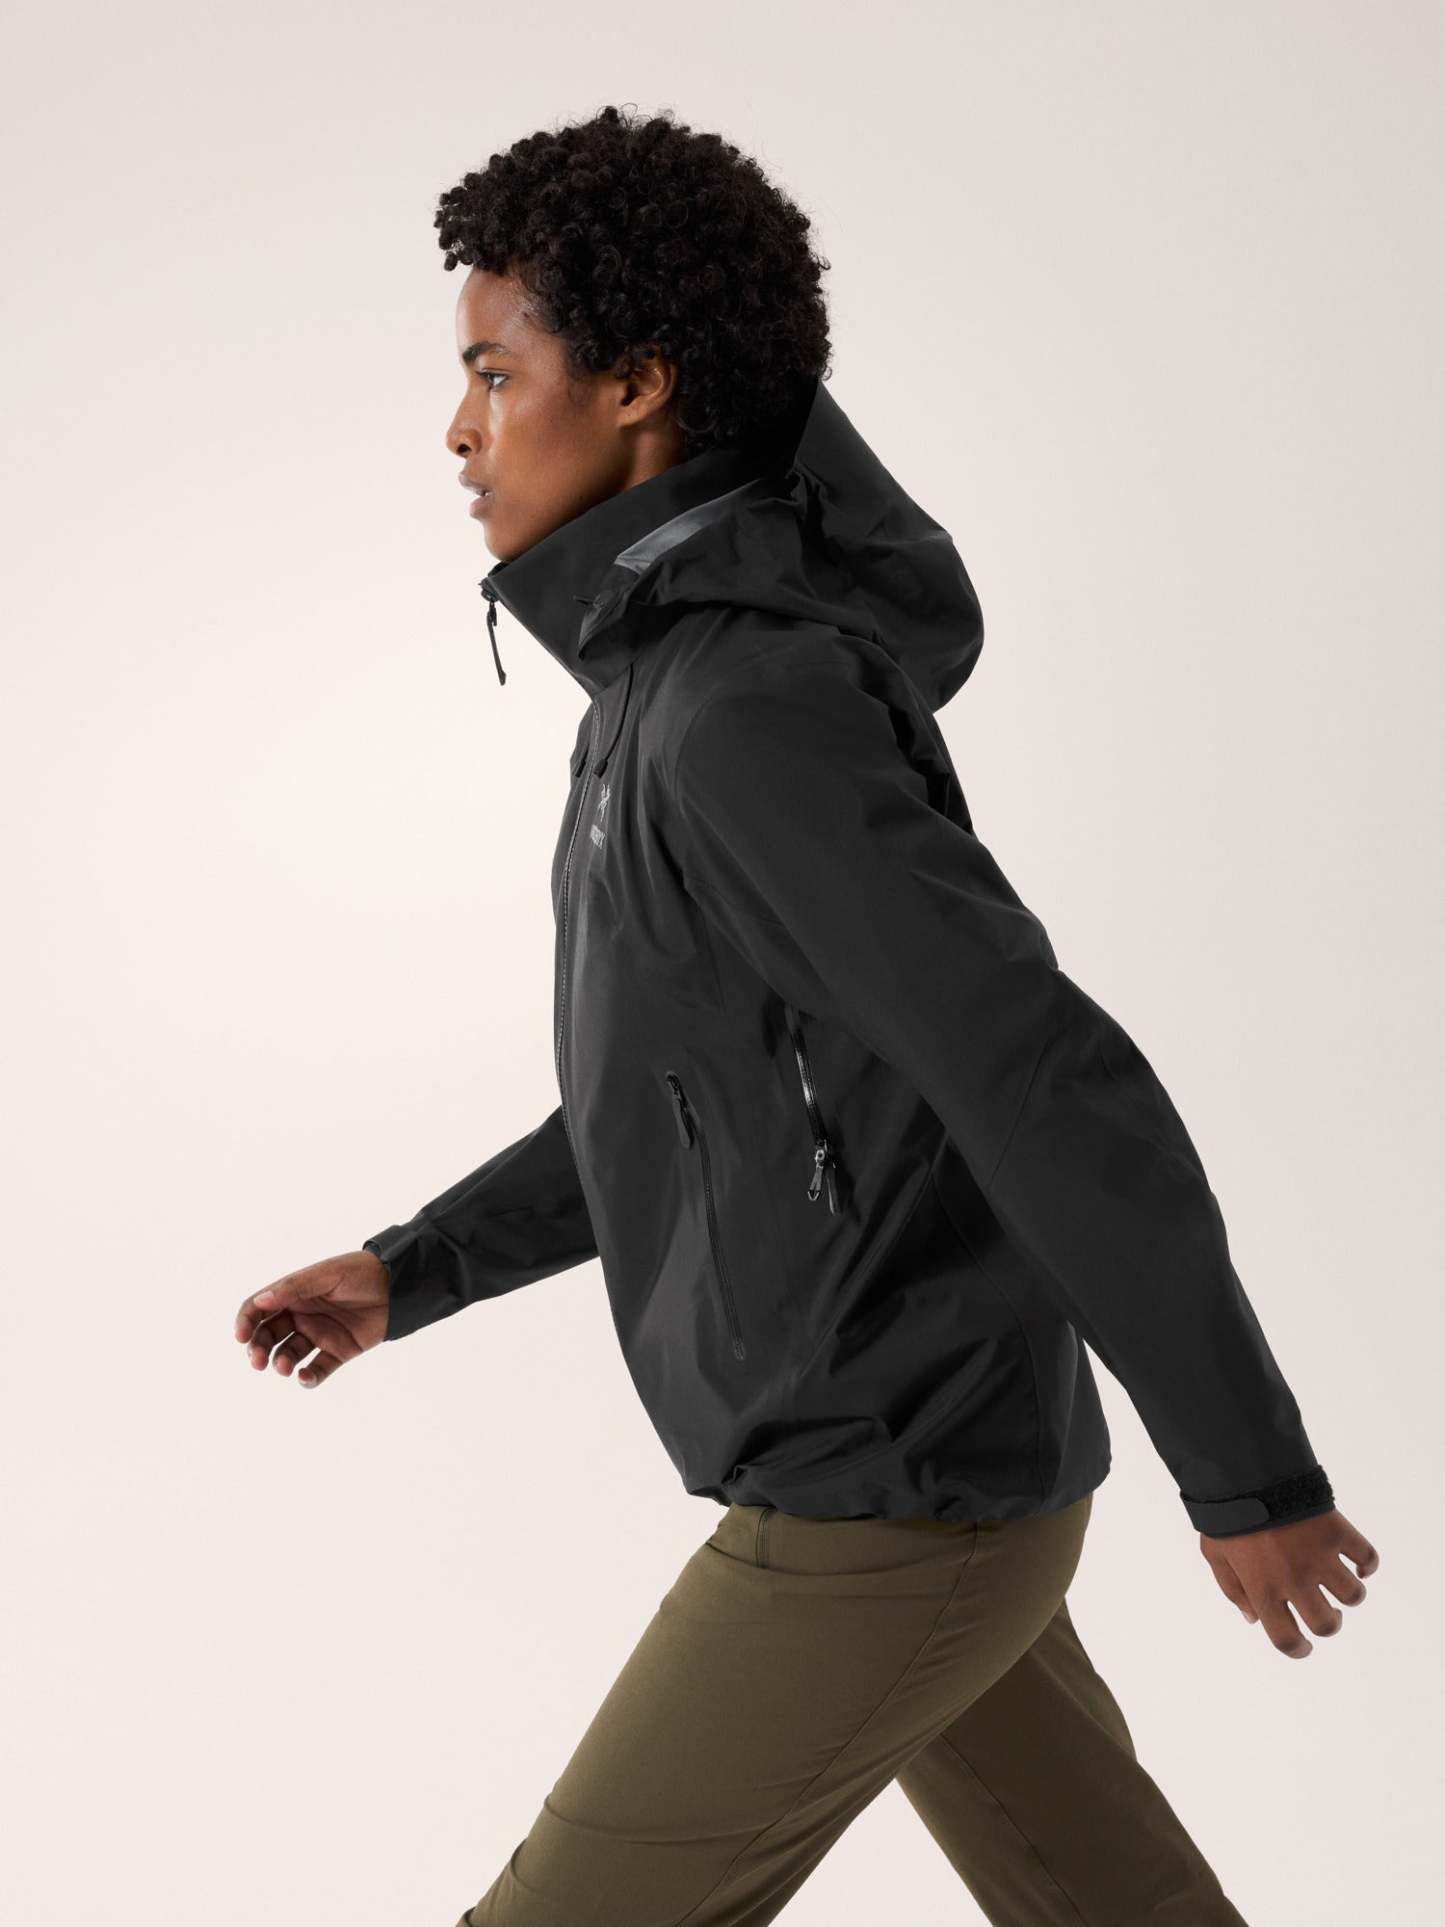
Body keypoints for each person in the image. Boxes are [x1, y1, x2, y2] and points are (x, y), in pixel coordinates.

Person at [233, 105, 1378, 1925]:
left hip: (889, 1490)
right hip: (922, 1462)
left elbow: (1035, 1075)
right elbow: (693, 1083)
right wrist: (416, 1265)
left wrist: (1246, 1473)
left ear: (638, 387)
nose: (457, 428)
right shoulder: (658, 688)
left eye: (491, 373)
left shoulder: (742, 705)